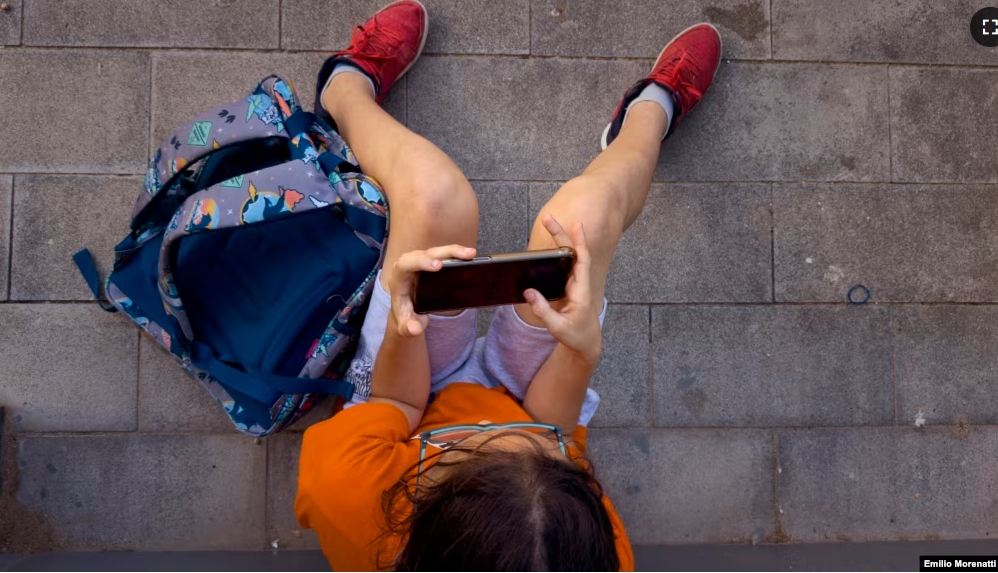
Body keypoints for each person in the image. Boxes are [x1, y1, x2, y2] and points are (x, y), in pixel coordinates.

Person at [294, 1, 722, 570]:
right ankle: (648, 115)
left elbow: (396, 400)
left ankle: (342, 93)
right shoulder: (580, 547)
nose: (503, 433)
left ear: (417, 517)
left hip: (408, 406)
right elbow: (551, 428)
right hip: (529, 399)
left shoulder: (351, 494)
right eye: (548, 462)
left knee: (433, 199)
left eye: (468, 453)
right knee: (586, 227)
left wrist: (402, 323)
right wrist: (579, 351)